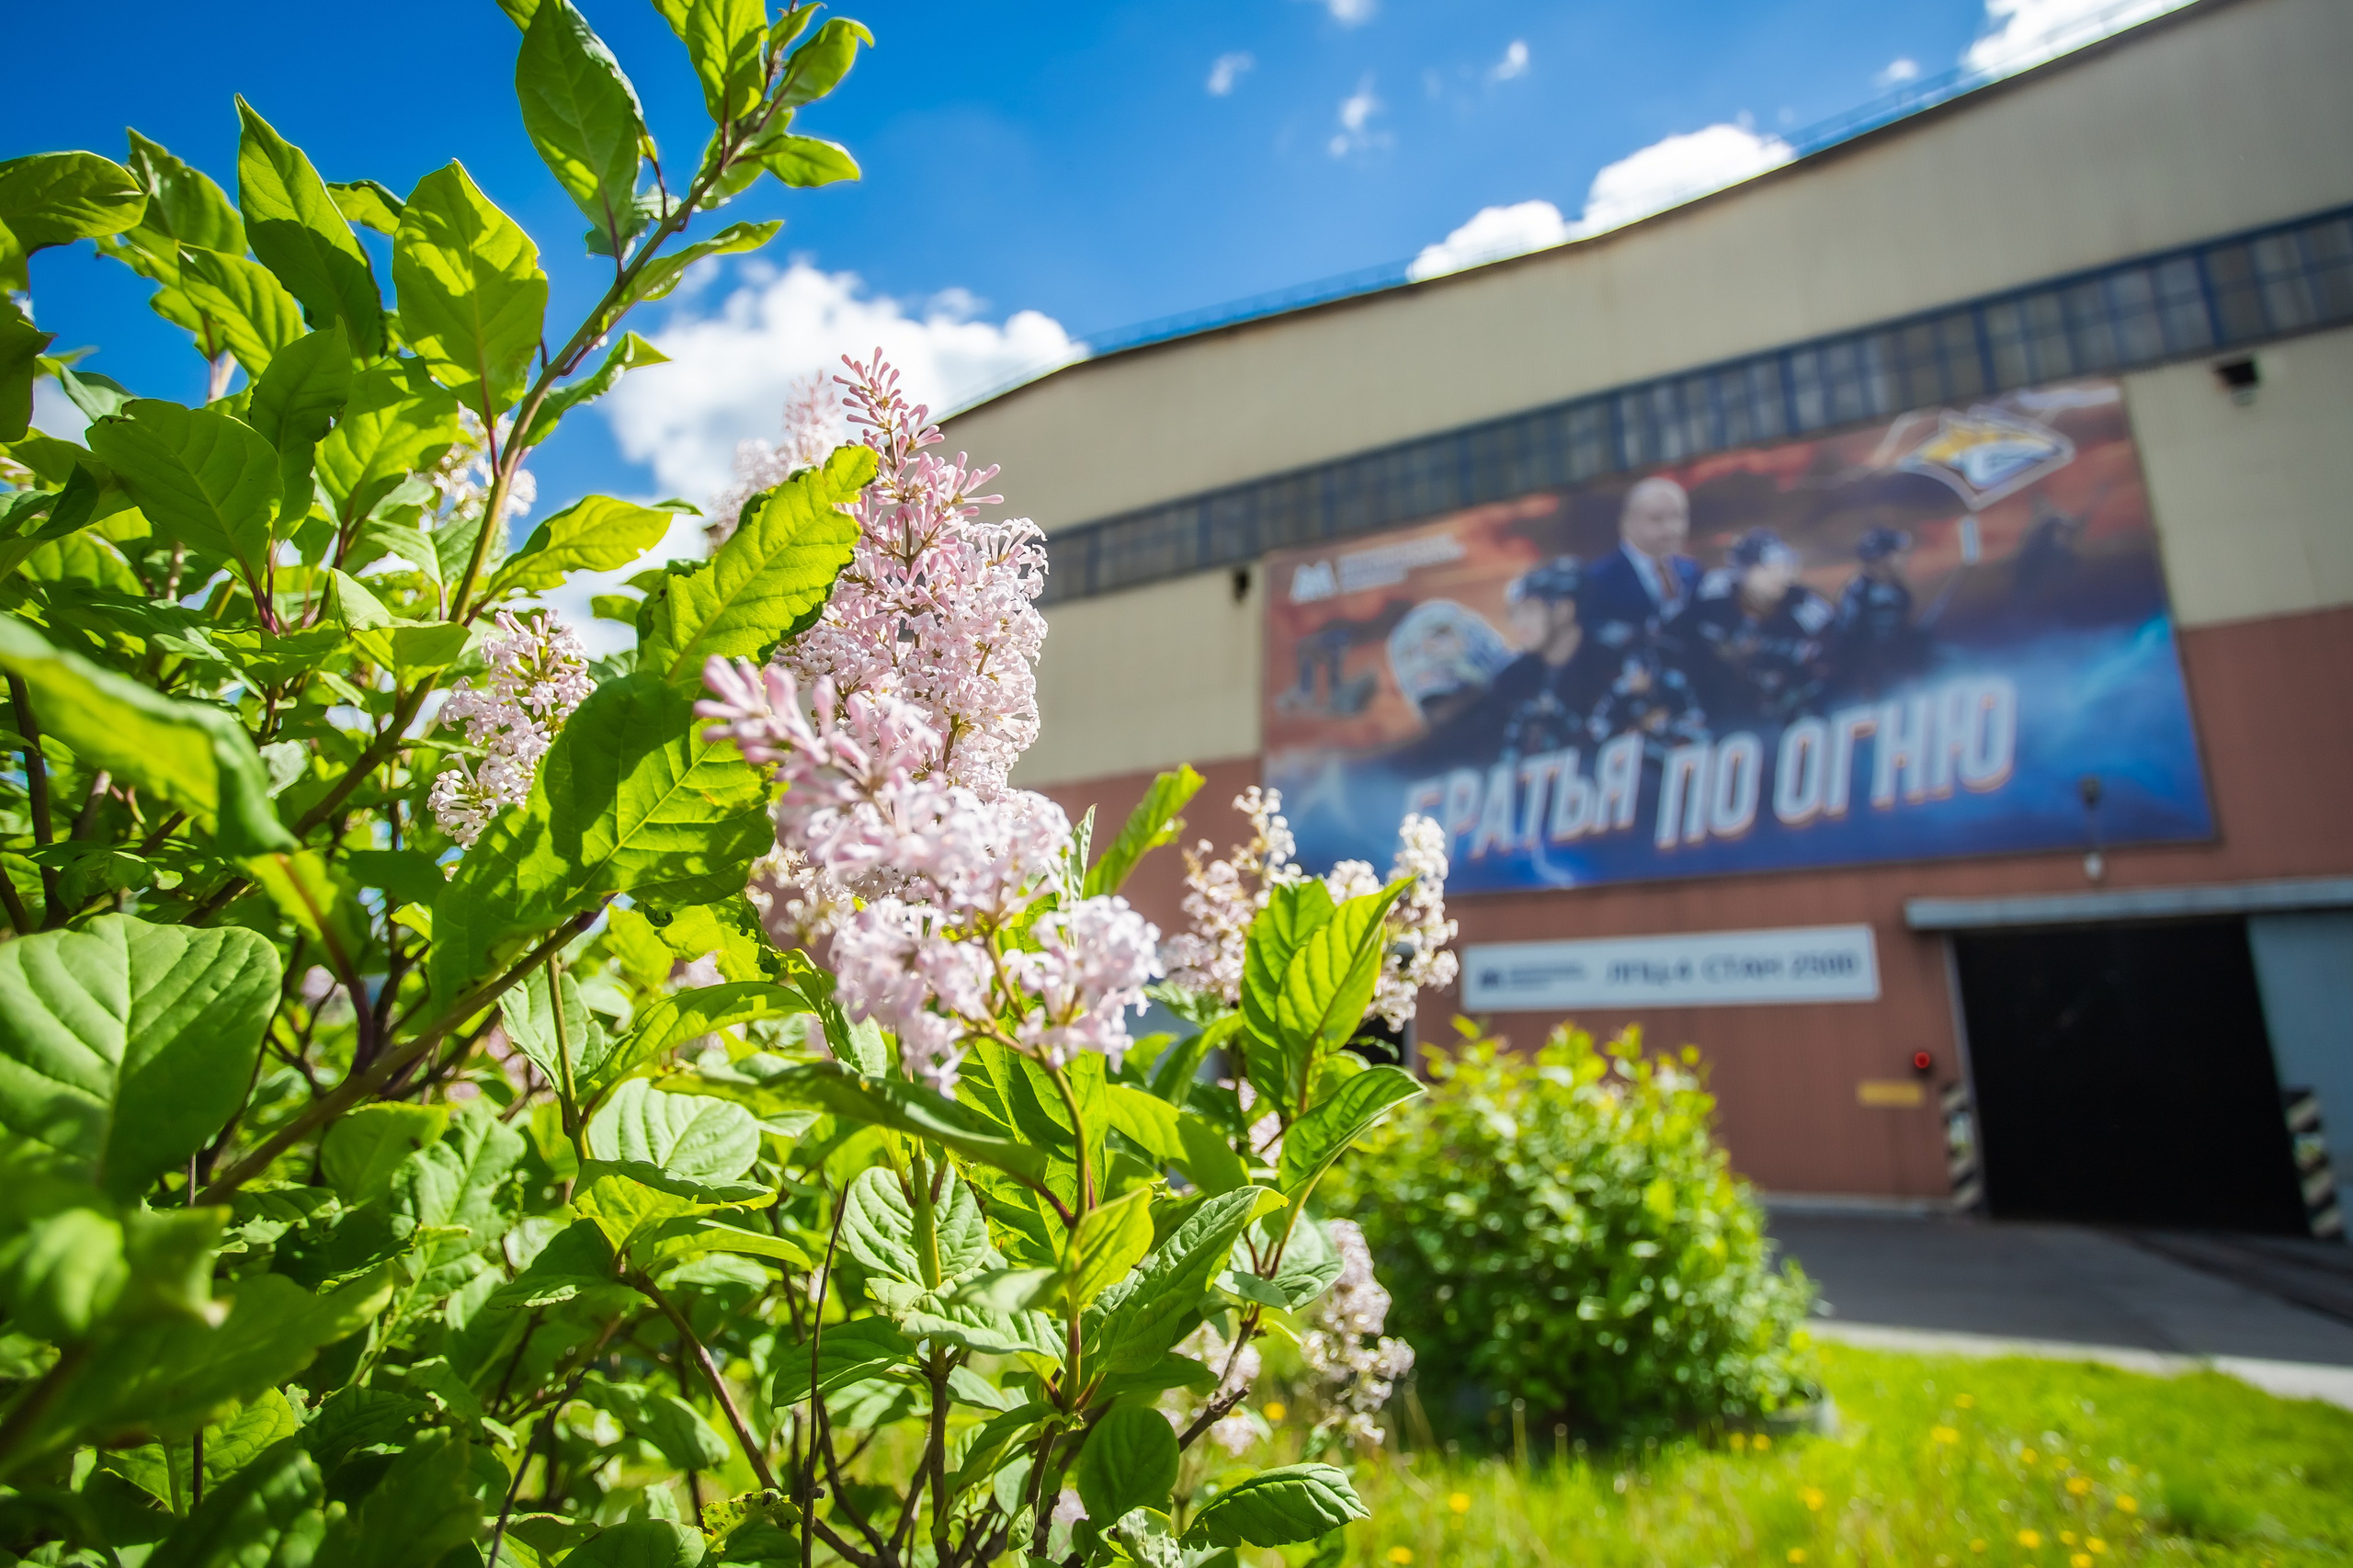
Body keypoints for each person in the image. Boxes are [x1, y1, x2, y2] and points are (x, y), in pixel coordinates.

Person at [1665, 527, 1836, 729]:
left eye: (1784, 567)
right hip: (1713, 704)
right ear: (1742, 570)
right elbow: (1669, 635)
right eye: (1767, 568)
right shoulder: (1711, 592)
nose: (1779, 576)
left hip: (1782, 715)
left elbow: (1838, 661)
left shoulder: (1808, 610)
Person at [1489, 555, 1615, 756]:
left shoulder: (1615, 659)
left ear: (1564, 610)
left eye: (1529, 610)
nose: (1518, 624)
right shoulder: (1510, 680)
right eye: (1515, 613)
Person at [1580, 476, 1703, 655]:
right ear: (1627, 524)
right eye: (1656, 518)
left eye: (1678, 516)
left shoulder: (1693, 571)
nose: (1671, 528)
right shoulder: (1598, 579)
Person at [1830, 525, 1925, 695]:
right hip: (1868, 680)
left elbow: (1904, 630)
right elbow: (1846, 641)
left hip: (1898, 668)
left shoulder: (1899, 591)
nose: (1905, 559)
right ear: (1880, 558)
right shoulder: (1857, 594)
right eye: (1897, 553)